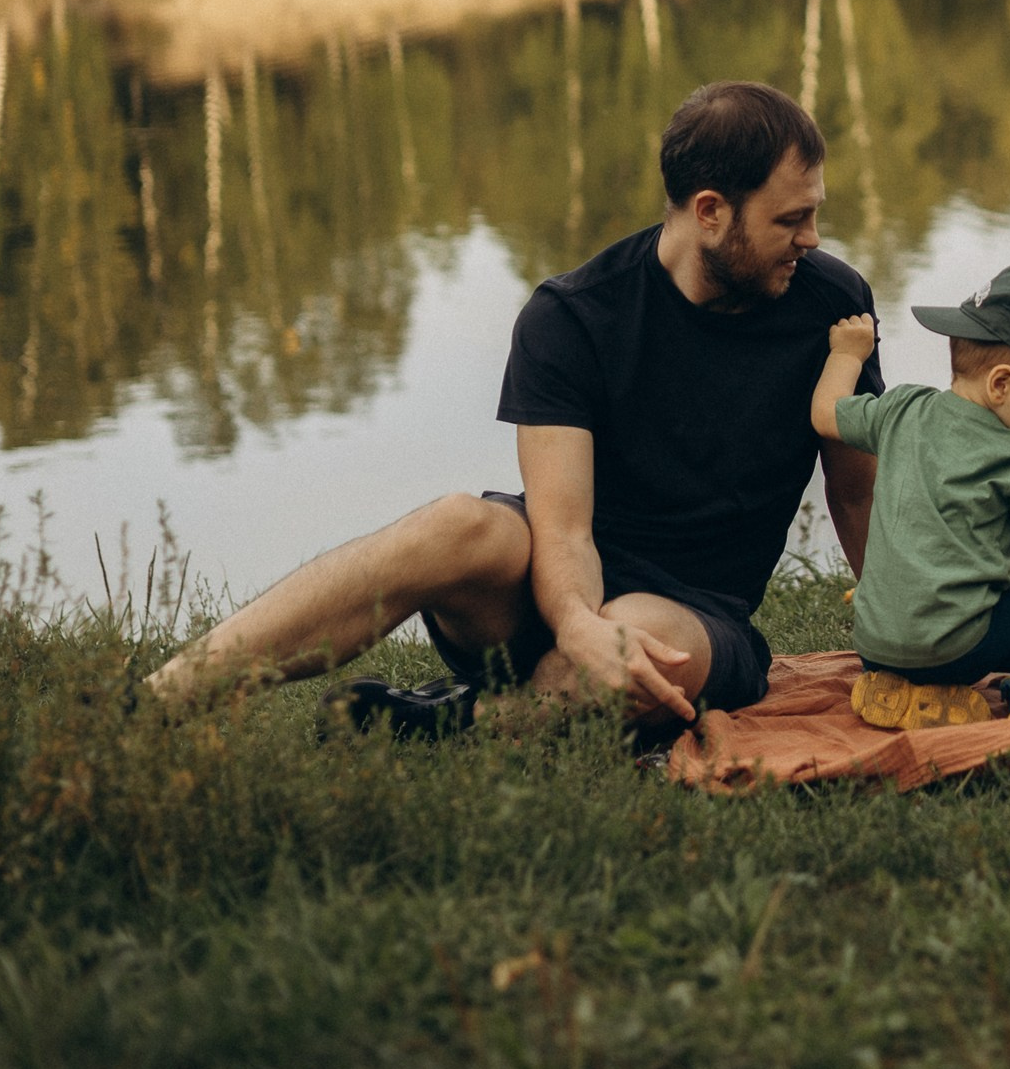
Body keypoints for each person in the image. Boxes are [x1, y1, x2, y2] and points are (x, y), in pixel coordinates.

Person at [146, 81, 882, 732]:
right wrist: (574, 623)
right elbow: (561, 529)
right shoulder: (574, 315)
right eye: (791, 219)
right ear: (712, 211)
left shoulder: (832, 307)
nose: (811, 239)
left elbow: (856, 494)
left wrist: (904, 634)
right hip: (553, 581)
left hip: (695, 611)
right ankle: (157, 699)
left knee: (640, 643)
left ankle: (460, 719)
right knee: (455, 523)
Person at [811, 265, 1010, 729]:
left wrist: (848, 354)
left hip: (874, 644)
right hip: (956, 652)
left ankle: (891, 683)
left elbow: (823, 415)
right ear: (1000, 383)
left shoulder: (902, 409)